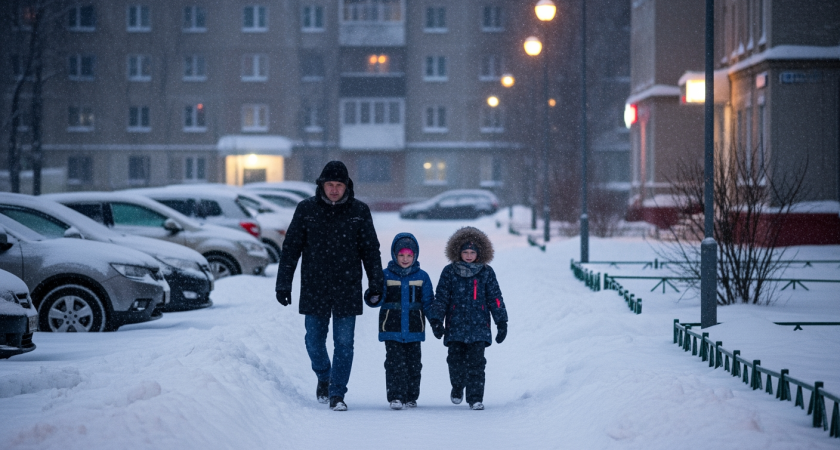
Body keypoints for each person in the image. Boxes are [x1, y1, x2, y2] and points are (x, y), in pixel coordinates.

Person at [275, 161, 384, 412]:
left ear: (347, 186)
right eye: (330, 185)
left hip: (347, 286)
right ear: (321, 185)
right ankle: (324, 376)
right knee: (314, 341)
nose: (334, 190)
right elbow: (291, 249)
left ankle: (337, 392)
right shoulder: (306, 210)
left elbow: (370, 251)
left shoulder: (359, 211)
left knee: (344, 344)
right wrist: (283, 284)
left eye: (339, 185)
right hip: (315, 286)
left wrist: (375, 283)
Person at [428, 226, 508, 411]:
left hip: (479, 327)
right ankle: (457, 386)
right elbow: (441, 298)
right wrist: (436, 320)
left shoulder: (486, 273)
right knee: (455, 361)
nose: (469, 255)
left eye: (473, 252)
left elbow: (495, 298)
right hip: (455, 326)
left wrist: (501, 322)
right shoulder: (449, 272)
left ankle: (475, 398)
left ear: (480, 253)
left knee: (477, 364)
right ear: (458, 252)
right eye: (465, 252)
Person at [364, 233, 434, 410]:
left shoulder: (422, 277)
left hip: (414, 329)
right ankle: (395, 395)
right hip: (391, 327)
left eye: (409, 255)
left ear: (415, 256)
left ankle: (411, 396)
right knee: (394, 363)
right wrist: (372, 296)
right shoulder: (386, 275)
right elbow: (378, 298)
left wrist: (436, 322)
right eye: (401, 255)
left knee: (414, 364)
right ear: (395, 255)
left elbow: (428, 303)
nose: (405, 259)